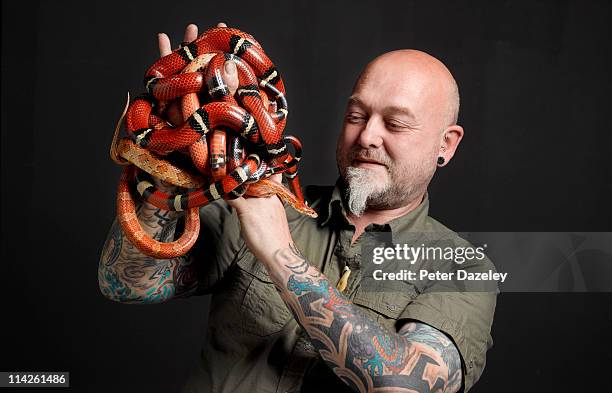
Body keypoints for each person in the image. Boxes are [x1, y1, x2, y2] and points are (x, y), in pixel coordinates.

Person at [99, 22, 497, 393]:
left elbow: (404, 384)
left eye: (395, 124)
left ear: (446, 144)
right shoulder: (258, 198)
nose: (368, 136)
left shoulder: (462, 267)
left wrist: (278, 253)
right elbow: (126, 283)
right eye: (357, 116)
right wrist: (172, 158)